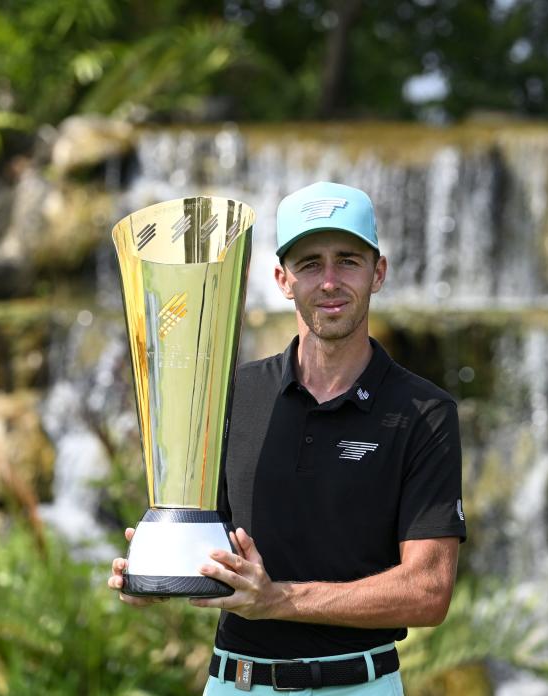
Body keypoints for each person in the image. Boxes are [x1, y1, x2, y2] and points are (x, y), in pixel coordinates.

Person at [109, 181, 466, 694]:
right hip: (236, 683)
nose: (329, 281)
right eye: (309, 263)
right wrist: (159, 572)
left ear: (378, 273)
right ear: (281, 279)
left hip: (359, 685)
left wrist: (279, 599)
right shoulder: (229, 396)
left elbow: (428, 591)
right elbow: (215, 544)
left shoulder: (425, 412)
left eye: (348, 261)